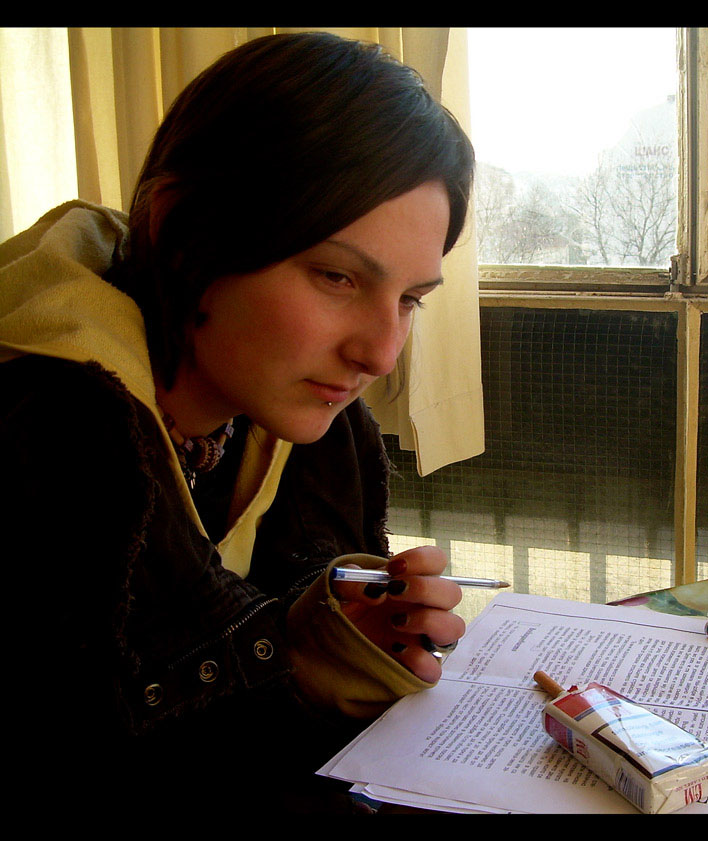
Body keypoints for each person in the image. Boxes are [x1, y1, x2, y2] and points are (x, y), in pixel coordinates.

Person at [0, 31, 474, 821]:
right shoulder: (46, 440)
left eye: (410, 300)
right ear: (186, 230)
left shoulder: (314, 434)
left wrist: (332, 644)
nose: (381, 352)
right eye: (336, 276)